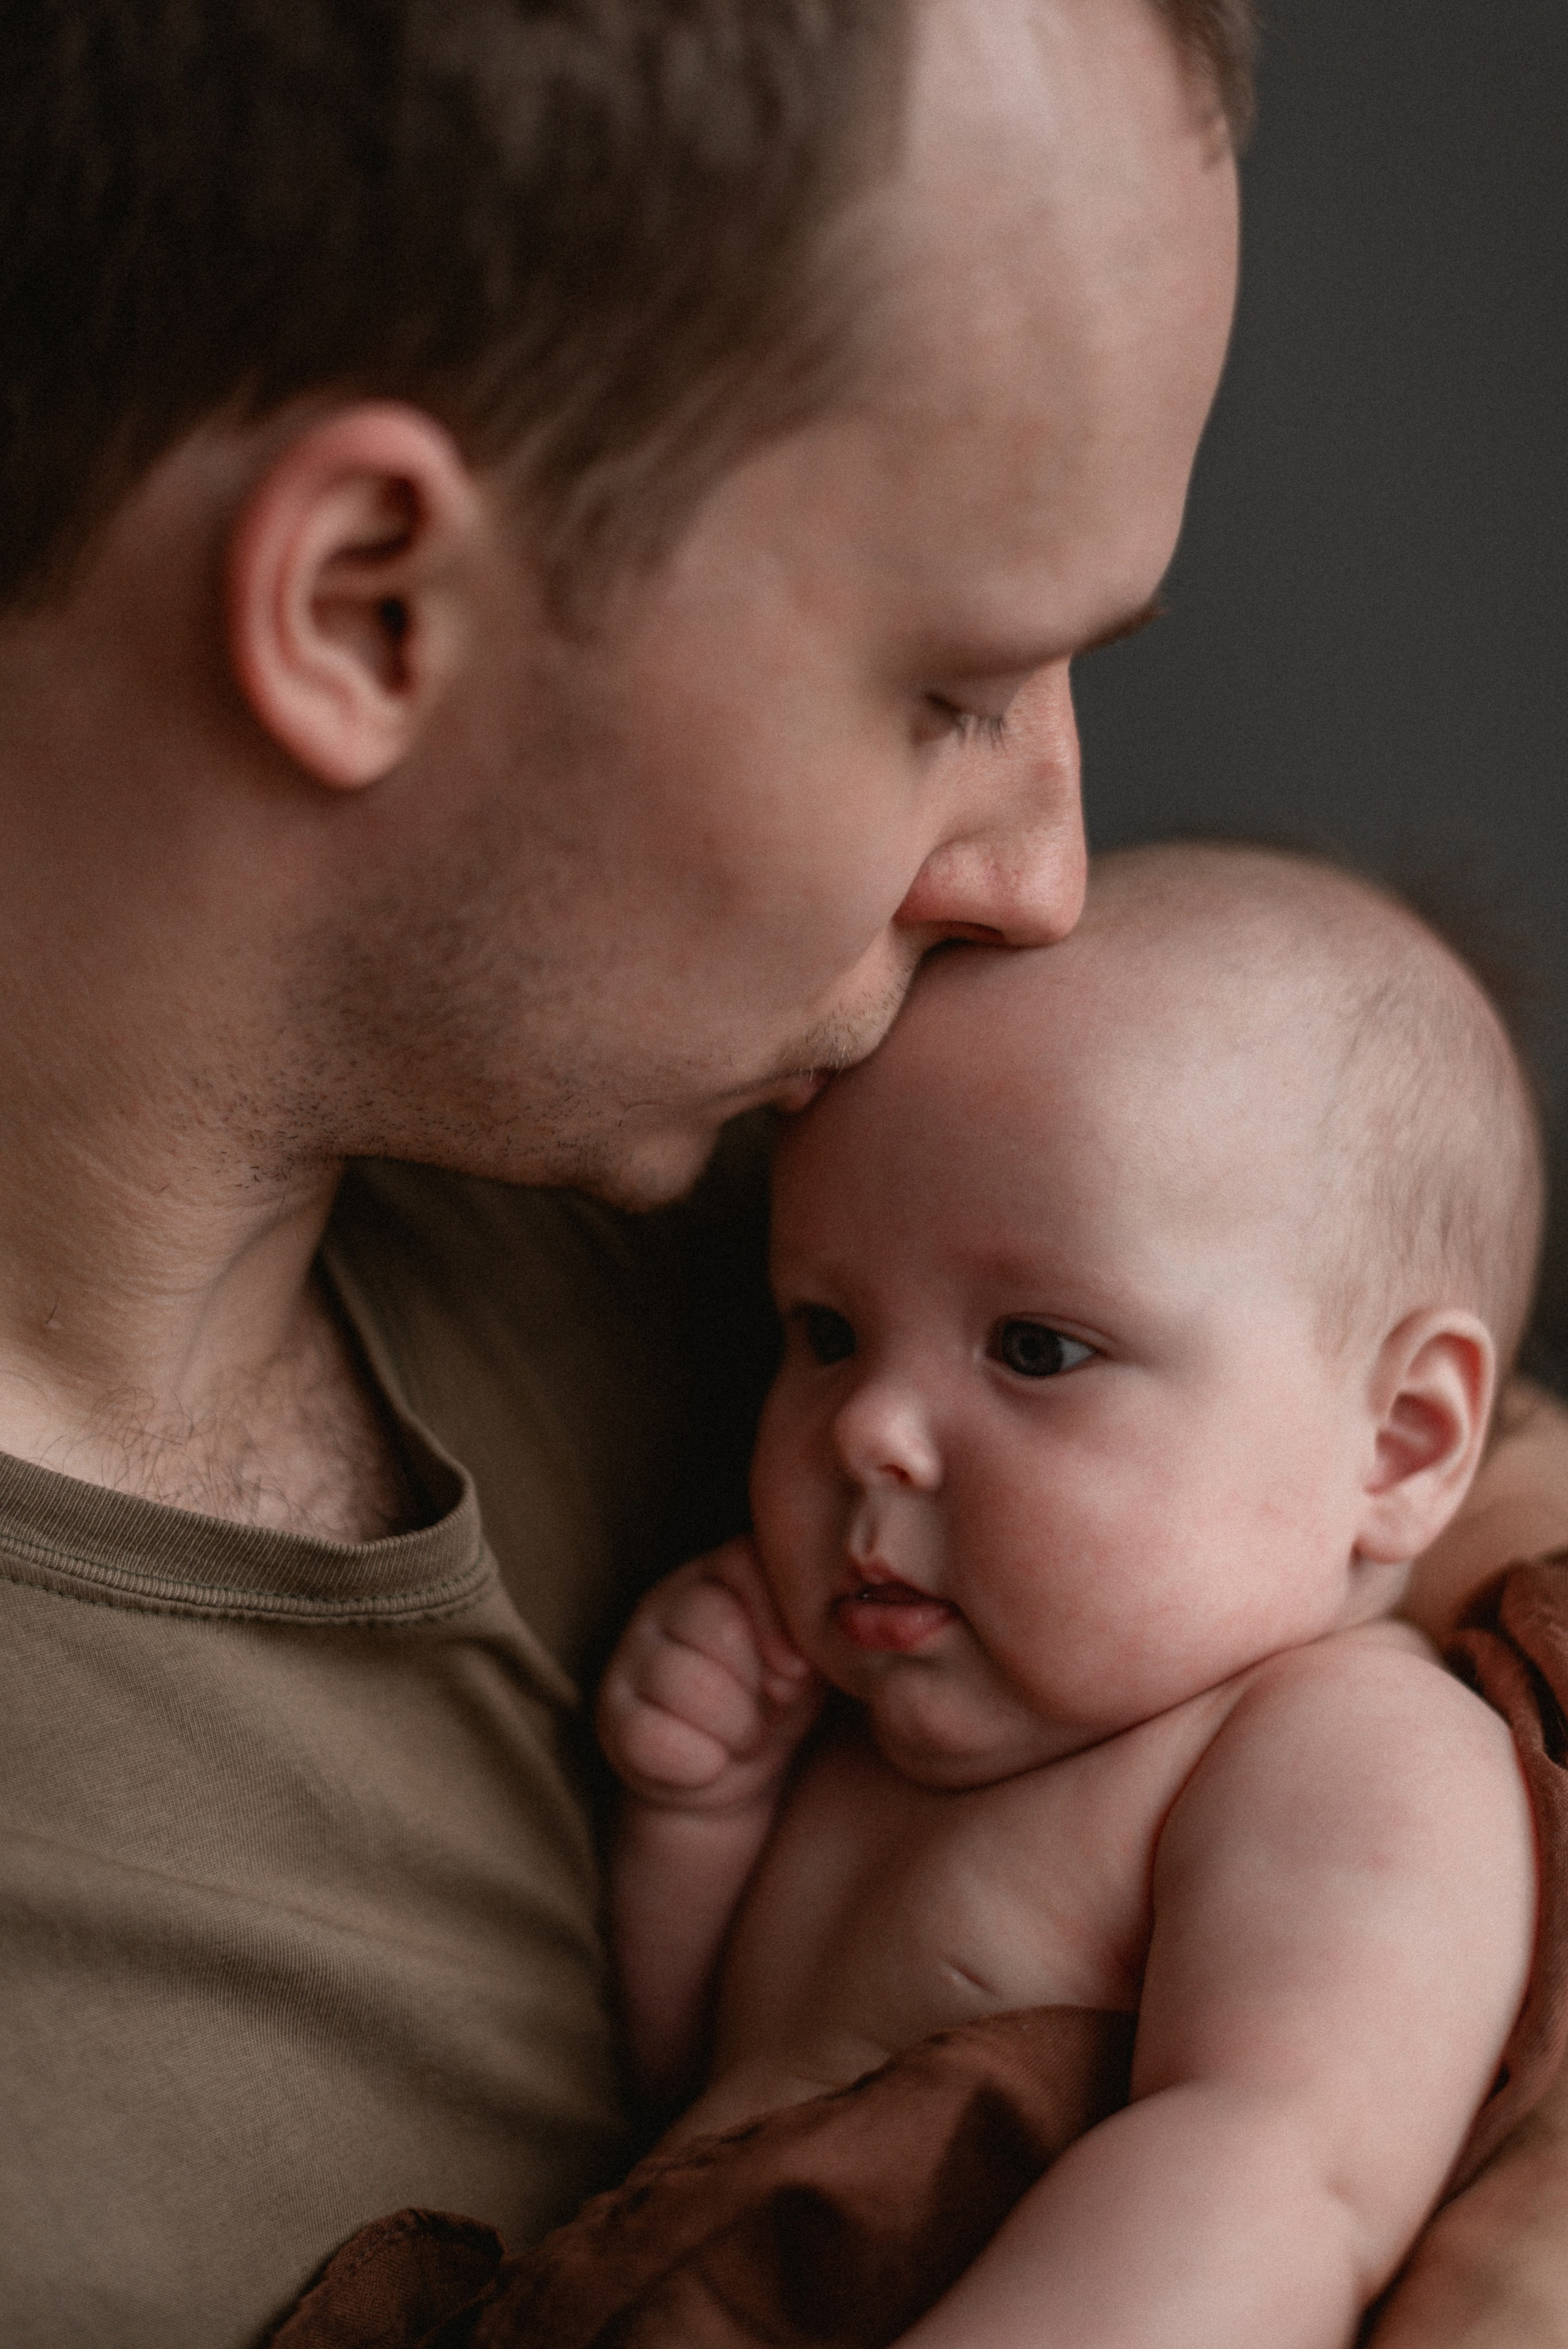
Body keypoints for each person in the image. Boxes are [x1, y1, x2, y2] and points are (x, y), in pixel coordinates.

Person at [0, 3, 1563, 2345]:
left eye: (1033, 1346)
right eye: (953, 684)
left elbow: (1419, 1470)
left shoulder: (757, 1151)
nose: (1046, 873)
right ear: (363, 611)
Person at [578, 843, 1541, 2347]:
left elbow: (1277, 2172)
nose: (864, 1431)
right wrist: (698, 1822)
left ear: (1401, 1440)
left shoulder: (1345, 1749)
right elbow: (678, 2111)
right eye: (824, 1329)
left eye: (1033, 1349)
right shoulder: (859, 1737)